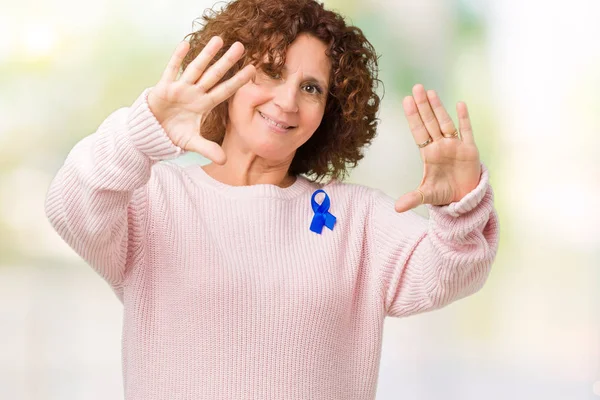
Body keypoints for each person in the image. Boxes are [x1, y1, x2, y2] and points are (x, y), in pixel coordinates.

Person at [44, 0, 499, 398]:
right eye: (272, 71)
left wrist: (460, 205)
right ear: (226, 76)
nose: (286, 102)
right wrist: (140, 132)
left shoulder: (356, 218)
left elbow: (450, 269)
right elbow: (71, 205)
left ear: (330, 112)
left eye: (311, 88)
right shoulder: (153, 198)